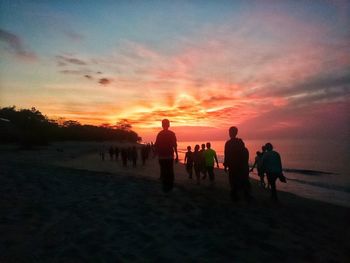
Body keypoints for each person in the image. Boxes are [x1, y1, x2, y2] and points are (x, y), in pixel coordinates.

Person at [224, 126, 251, 202]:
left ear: (230, 133)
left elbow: (227, 155)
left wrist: (226, 165)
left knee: (233, 181)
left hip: (233, 166)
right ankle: (243, 194)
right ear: (236, 133)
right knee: (241, 180)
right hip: (241, 166)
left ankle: (235, 196)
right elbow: (245, 153)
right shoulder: (240, 142)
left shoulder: (228, 143)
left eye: (230, 132)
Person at [154, 119, 179, 192]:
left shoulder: (160, 134)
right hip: (169, 156)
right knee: (170, 171)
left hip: (161, 156)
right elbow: (175, 145)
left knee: (163, 171)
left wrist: (155, 154)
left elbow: (156, 145)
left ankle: (165, 187)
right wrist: (177, 155)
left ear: (162, 125)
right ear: (169, 125)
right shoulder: (172, 134)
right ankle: (170, 187)